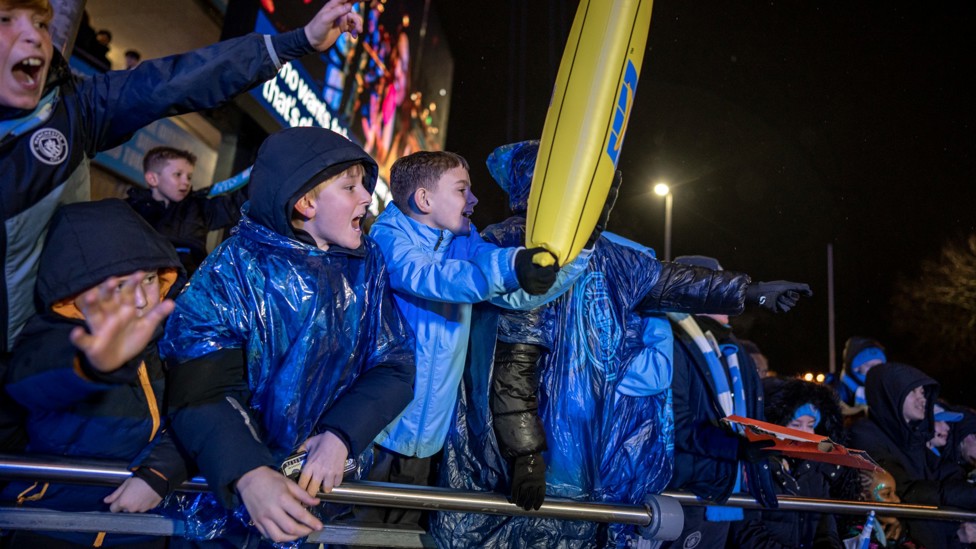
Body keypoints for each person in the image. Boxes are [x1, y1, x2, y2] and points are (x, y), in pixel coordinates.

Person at [428, 140, 812, 548]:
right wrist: (525, 452)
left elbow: (676, 282)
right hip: (526, 462)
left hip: (591, 460)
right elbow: (510, 362)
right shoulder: (511, 248)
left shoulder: (611, 255)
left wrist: (751, 292)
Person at [0, 0, 362, 355]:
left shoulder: (73, 111)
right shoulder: (131, 213)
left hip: (40, 362)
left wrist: (298, 42)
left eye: (42, 23)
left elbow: (175, 81)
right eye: (6, 19)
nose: (33, 35)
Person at [160, 127, 415, 545]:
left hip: (324, 498)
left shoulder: (366, 264)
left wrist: (340, 436)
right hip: (231, 502)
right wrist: (248, 471)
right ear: (305, 202)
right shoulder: (235, 270)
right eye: (350, 187)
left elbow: (394, 364)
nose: (367, 197)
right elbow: (201, 389)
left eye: (364, 185)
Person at [365, 149, 598, 528]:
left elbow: (516, 292)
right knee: (350, 535)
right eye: (461, 190)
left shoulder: (464, 241)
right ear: (423, 199)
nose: (473, 200)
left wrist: (576, 251)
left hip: (428, 444)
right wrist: (510, 265)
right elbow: (433, 278)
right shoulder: (387, 240)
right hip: (374, 433)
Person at [2, 199, 187, 547]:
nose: (141, 300)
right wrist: (93, 366)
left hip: (140, 532)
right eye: (118, 286)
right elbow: (33, 381)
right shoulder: (53, 337)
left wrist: (161, 473)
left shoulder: (174, 338)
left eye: (149, 279)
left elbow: (200, 413)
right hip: (50, 528)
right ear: (78, 289)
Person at [664, 254, 812, 549]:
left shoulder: (733, 352)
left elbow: (748, 420)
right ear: (698, 291)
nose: (730, 297)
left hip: (729, 492)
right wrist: (739, 447)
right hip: (688, 494)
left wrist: (764, 445)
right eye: (720, 285)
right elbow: (676, 427)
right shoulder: (673, 343)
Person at [849, 362, 976, 548]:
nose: (922, 399)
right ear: (892, 394)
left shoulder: (912, 436)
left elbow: (945, 474)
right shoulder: (865, 435)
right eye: (913, 392)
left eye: (923, 392)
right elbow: (906, 491)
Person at [729, 377, 847, 548]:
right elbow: (747, 531)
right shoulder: (751, 468)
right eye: (796, 425)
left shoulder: (815, 467)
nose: (805, 434)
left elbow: (826, 528)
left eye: (810, 425)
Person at [127, 146, 248, 275]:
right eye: (178, 175)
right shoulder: (128, 212)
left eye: (189, 177)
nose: (186, 182)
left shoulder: (198, 208)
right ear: (153, 179)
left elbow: (236, 204)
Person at [835, 336, 886, 410]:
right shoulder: (838, 390)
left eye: (879, 366)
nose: (875, 370)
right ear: (856, 368)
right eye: (870, 366)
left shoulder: (885, 388)